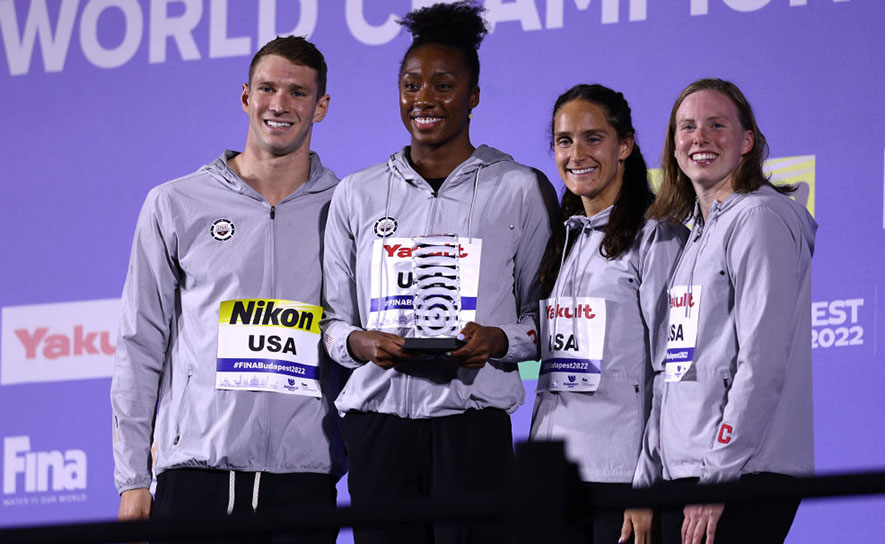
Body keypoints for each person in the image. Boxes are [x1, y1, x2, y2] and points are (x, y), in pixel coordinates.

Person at [320, 2, 557, 543]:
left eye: (444, 84)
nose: (424, 98)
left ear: (473, 97)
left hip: (472, 427)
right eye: (411, 84)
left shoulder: (520, 188)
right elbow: (332, 324)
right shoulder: (356, 193)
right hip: (377, 427)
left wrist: (497, 340)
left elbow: (544, 322)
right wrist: (363, 343)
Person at [110, 36, 344, 543]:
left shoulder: (349, 209)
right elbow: (140, 345)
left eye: (298, 93)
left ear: (320, 106)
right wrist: (132, 480)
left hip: (303, 484)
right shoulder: (175, 203)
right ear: (245, 96)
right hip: (195, 479)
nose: (279, 105)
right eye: (267, 88)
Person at [637, 78, 817, 544]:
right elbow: (671, 369)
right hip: (688, 472)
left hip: (740, 473)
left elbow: (762, 362)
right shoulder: (691, 236)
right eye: (687, 127)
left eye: (717, 125)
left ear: (747, 142)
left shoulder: (759, 218)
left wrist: (720, 476)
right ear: (674, 147)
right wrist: (648, 479)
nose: (700, 138)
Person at [529, 84, 687, 544]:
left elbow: (670, 369)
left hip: (619, 478)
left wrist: (646, 484)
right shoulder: (563, 239)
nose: (576, 153)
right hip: (553, 477)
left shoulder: (657, 236)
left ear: (625, 145)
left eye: (593, 138)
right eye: (564, 140)